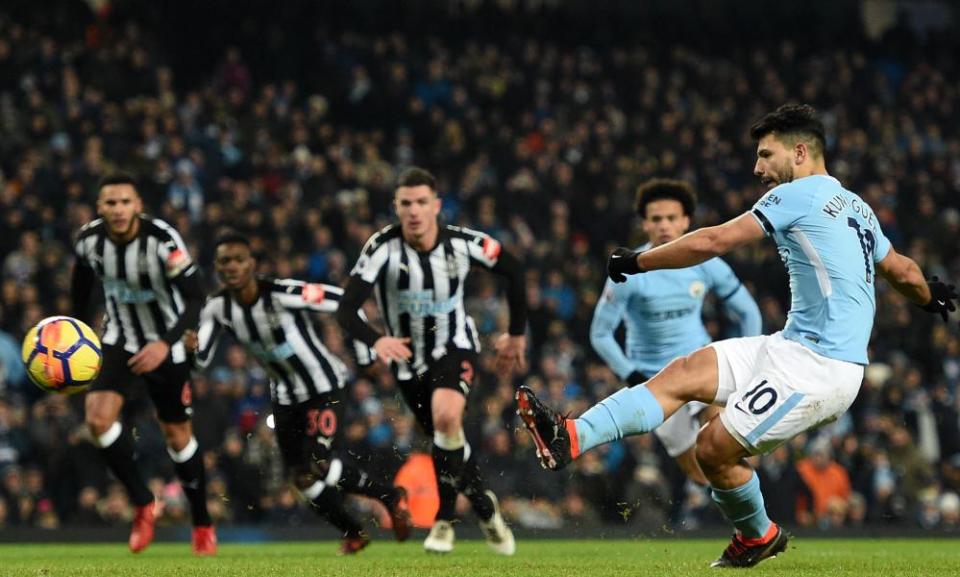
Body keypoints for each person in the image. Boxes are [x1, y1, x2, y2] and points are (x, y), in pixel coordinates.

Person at [516, 104, 958, 567]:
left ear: (800, 152)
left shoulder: (797, 194)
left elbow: (713, 241)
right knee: (682, 373)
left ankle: (757, 534)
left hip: (823, 367)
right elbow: (904, 271)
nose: (757, 168)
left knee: (711, 448)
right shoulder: (858, 206)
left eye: (766, 155)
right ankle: (572, 436)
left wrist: (638, 261)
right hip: (789, 344)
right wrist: (929, 297)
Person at [184, 231, 411, 555]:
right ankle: (354, 530)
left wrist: (364, 355)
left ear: (252, 264)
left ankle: (389, 496)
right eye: (224, 261)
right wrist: (191, 350)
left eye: (238, 259)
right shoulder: (217, 307)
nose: (231, 266)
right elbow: (200, 362)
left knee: (317, 463)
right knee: (301, 478)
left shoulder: (282, 293)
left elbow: (346, 303)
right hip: (286, 397)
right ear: (217, 268)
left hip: (323, 386)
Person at [336, 167, 525, 555]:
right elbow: (346, 308)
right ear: (396, 207)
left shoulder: (461, 243)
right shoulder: (381, 247)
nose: (414, 211)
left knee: (446, 419)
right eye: (406, 203)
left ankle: (444, 521)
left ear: (437, 206)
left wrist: (517, 332)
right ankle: (487, 510)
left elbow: (514, 268)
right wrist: (377, 339)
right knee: (448, 439)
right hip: (407, 361)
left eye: (422, 202)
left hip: (453, 346)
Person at [71, 173, 216, 555]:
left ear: (138, 206)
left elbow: (197, 297)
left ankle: (201, 522)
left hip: (168, 343)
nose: (117, 210)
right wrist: (74, 330)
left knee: (177, 436)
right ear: (100, 208)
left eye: (124, 202)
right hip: (119, 338)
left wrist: (165, 344)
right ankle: (142, 501)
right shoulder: (89, 241)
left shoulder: (162, 240)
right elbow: (81, 288)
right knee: (97, 420)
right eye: (110, 203)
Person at [590, 178, 762, 489]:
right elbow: (600, 334)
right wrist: (631, 375)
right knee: (699, 473)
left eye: (671, 218)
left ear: (686, 221)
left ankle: (757, 527)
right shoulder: (629, 272)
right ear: (645, 223)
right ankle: (738, 518)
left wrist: (751, 363)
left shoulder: (705, 264)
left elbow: (748, 312)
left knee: (724, 440)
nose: (664, 226)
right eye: (656, 219)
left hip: (699, 365)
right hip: (655, 379)